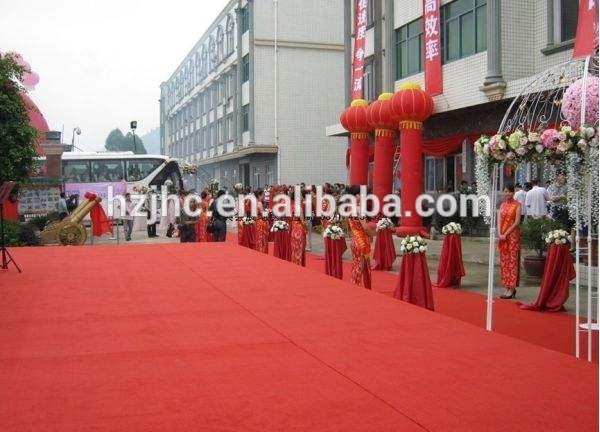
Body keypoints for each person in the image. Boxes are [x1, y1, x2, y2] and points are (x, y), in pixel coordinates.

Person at [346, 185, 375, 289]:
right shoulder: (358, 209)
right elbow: (365, 227)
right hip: (361, 241)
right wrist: (373, 234)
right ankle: (357, 288)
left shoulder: (349, 208)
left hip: (355, 240)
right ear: (356, 196)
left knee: (356, 265)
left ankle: (355, 285)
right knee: (361, 266)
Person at [498, 183, 522, 299]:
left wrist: (506, 233)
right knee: (504, 262)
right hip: (502, 237)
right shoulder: (502, 205)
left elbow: (517, 222)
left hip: (512, 237)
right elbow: (499, 220)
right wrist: (499, 233)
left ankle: (512, 288)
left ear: (513, 192)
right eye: (505, 191)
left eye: (509, 191)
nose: (507, 193)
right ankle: (506, 286)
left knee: (512, 262)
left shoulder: (517, 205)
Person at [290, 188, 307, 266]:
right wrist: (306, 226)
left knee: (294, 247)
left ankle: (294, 262)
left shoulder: (291, 206)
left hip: (293, 227)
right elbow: (302, 221)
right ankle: (299, 264)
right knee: (299, 247)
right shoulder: (298, 208)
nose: (302, 197)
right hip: (299, 228)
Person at [254, 189, 269, 253]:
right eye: (263, 195)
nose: (264, 197)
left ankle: (259, 251)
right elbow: (263, 214)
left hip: (257, 222)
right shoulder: (259, 203)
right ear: (259, 196)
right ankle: (262, 252)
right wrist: (268, 212)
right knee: (262, 239)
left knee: (258, 238)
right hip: (261, 223)